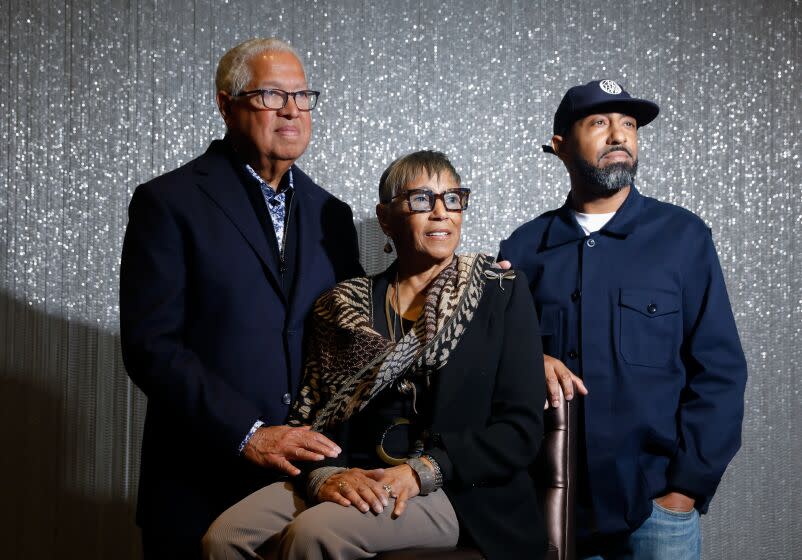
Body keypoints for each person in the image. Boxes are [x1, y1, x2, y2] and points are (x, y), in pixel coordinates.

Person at [201, 150, 548, 560]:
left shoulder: (499, 290)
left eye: (453, 198)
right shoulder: (344, 306)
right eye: (421, 199)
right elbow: (316, 416)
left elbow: (520, 431)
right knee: (224, 539)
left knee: (316, 534)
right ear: (385, 218)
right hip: (353, 468)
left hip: (456, 487)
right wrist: (327, 475)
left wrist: (422, 472)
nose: (441, 212)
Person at [119, 37, 363, 558]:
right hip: (196, 485)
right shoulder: (168, 202)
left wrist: (493, 316)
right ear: (226, 105)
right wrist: (248, 433)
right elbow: (151, 346)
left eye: (303, 96)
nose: (293, 111)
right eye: (272, 95)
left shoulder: (332, 216)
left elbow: (363, 333)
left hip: (306, 495)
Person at [498, 80, 747, 559]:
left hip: (656, 512)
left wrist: (685, 490)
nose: (619, 135)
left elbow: (720, 371)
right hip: (557, 509)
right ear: (560, 146)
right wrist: (532, 359)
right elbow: (494, 372)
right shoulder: (523, 250)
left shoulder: (683, 238)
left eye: (628, 125)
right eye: (598, 123)